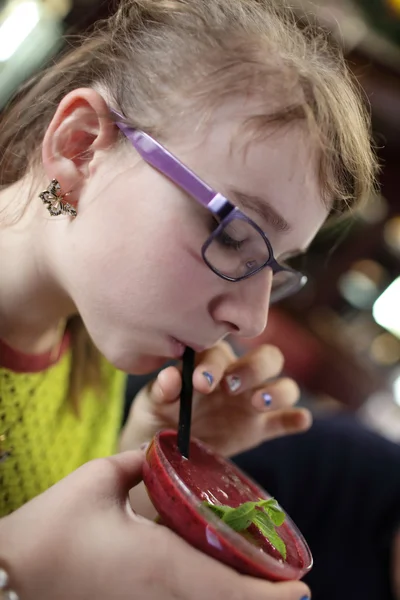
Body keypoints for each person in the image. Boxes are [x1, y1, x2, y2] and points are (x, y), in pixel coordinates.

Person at [0, 0, 377, 598]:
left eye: (275, 268)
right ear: (80, 147)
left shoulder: (86, 339)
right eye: (232, 235)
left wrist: (146, 469)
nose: (251, 320)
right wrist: (16, 574)